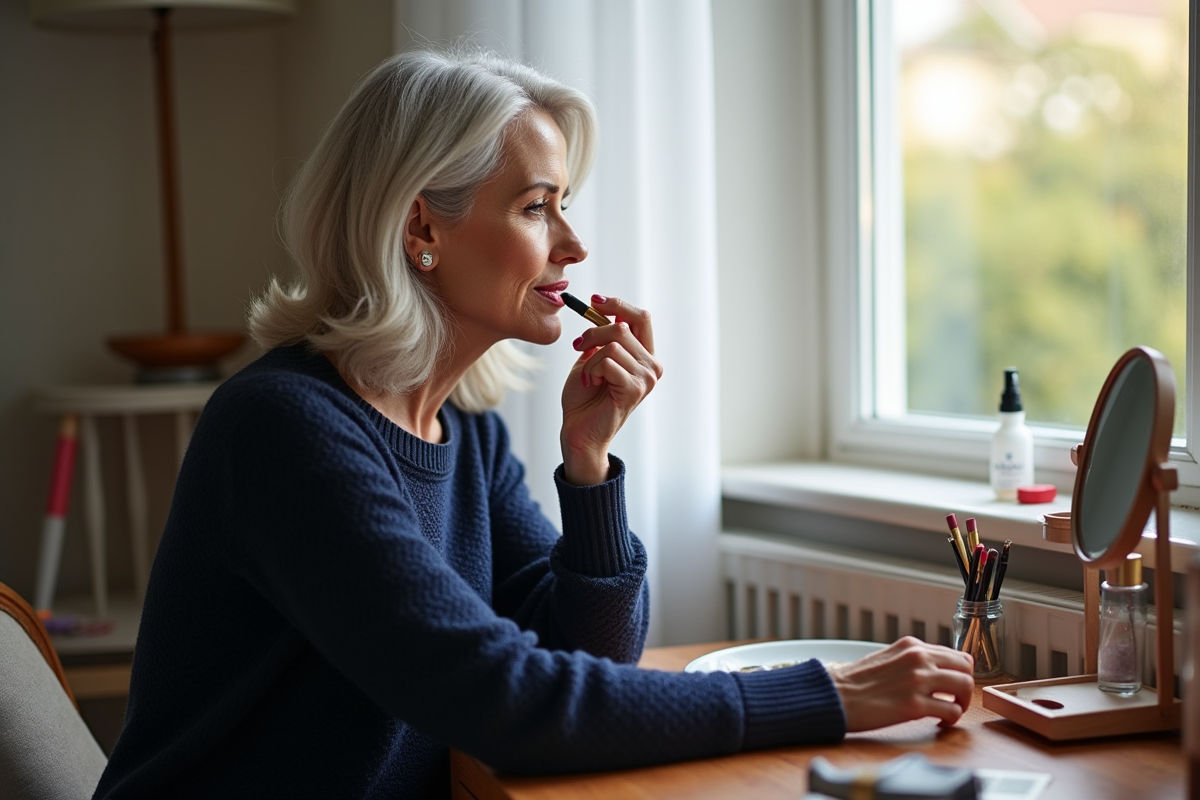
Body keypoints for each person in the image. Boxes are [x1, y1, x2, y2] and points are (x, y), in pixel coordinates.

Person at [93, 46, 974, 800]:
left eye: (563, 203)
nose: (573, 246)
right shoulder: (284, 428)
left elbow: (588, 653)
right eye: (535, 206)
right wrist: (824, 694)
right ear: (418, 228)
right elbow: (504, 700)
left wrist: (589, 466)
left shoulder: (462, 431)